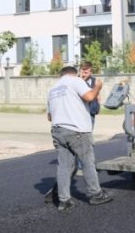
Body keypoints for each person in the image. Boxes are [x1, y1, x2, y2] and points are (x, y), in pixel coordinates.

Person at [47, 66, 112, 211]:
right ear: (74, 73)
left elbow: (49, 116)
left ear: (61, 75)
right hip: (78, 131)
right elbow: (89, 97)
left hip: (58, 131)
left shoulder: (53, 89)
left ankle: (64, 200)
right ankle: (96, 195)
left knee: (63, 166)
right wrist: (98, 87)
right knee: (88, 162)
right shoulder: (75, 81)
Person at [79, 61, 100, 129]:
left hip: (92, 111)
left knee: (90, 131)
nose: (83, 74)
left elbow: (97, 94)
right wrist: (80, 80)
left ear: (91, 73)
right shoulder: (77, 81)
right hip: (81, 113)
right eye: (82, 72)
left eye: (86, 73)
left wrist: (97, 105)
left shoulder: (94, 81)